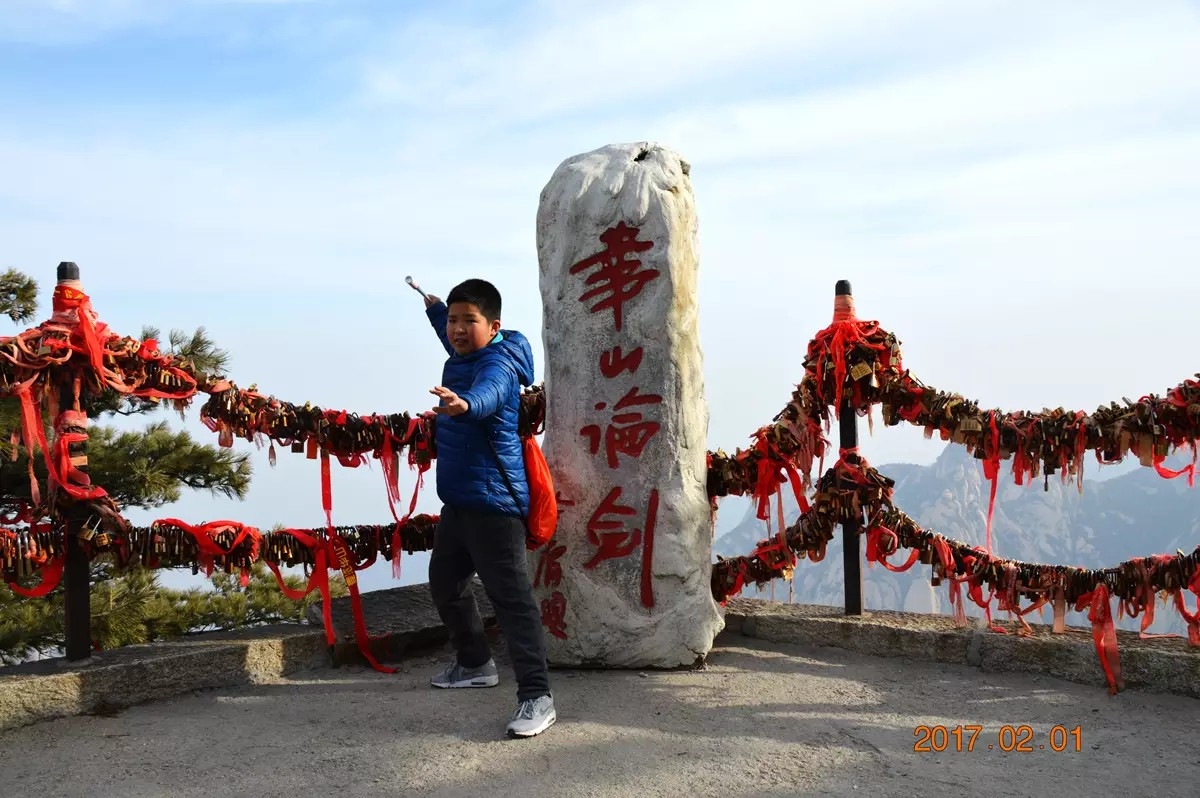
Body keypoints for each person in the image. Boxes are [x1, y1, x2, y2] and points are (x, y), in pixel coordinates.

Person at [418, 277, 556, 739]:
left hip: (495, 506)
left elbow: (491, 392)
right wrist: (435, 308)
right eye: (454, 320)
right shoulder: (466, 350)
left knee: (512, 602)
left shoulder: (496, 364)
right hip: (459, 501)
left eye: (467, 321)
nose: (457, 329)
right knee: (445, 583)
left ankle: (538, 697)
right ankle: (475, 663)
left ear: (494, 326)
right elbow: (449, 329)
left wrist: (465, 404)